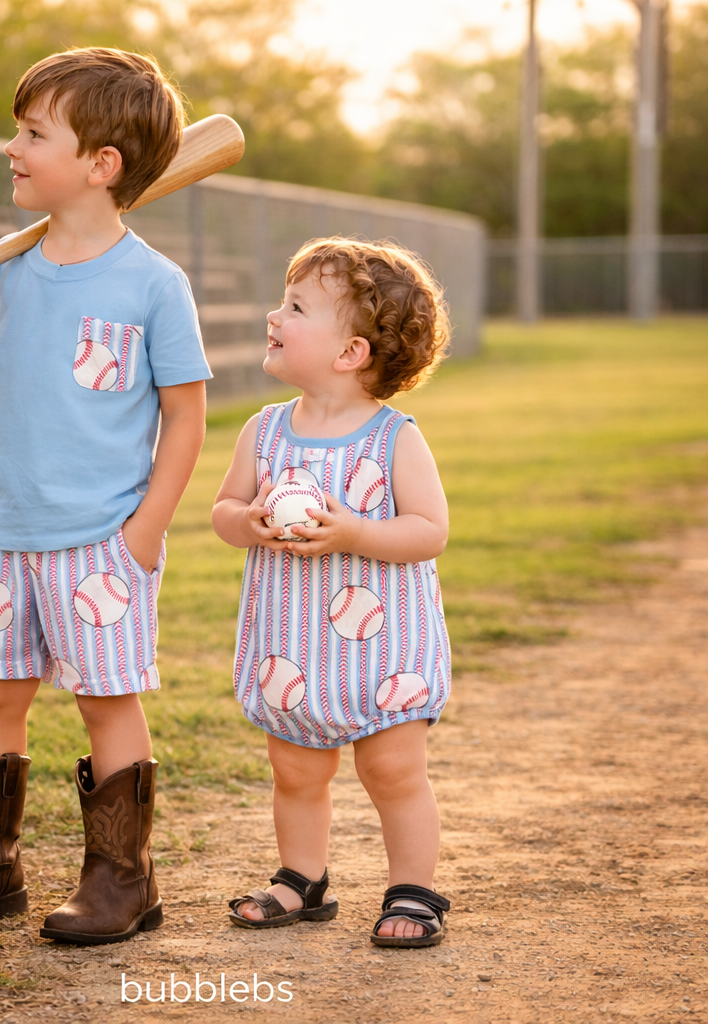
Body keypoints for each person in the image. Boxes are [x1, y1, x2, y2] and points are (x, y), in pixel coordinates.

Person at [0, 48, 210, 944]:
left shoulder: (154, 284)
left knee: (105, 701)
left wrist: (146, 532)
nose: (12, 146)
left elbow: (185, 420)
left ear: (100, 165)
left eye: (33, 133)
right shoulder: (6, 268)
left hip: (99, 541)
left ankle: (123, 881)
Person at [211, 237, 453, 947]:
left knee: (393, 770)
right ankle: (301, 878)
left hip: (385, 648)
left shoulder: (393, 439)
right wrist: (248, 522)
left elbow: (429, 531)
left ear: (349, 352)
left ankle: (413, 891)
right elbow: (224, 511)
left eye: (295, 307)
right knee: (294, 767)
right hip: (294, 643)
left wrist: (354, 533)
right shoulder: (265, 432)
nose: (273, 315)